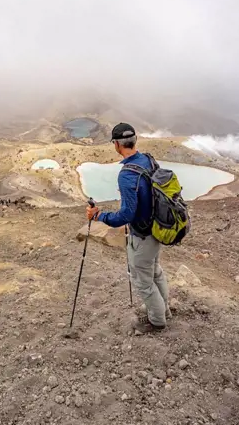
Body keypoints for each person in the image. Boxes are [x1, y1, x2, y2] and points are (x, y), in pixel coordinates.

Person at [86, 122, 170, 332]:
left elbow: (126, 215)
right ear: (133, 141)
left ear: (117, 144)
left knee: (143, 282)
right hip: (157, 228)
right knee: (155, 273)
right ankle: (164, 310)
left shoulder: (127, 174)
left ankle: (158, 322)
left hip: (142, 234)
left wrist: (99, 215)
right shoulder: (148, 159)